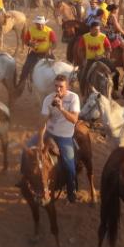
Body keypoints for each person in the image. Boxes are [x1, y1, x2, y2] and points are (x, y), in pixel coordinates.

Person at [34, 74, 81, 202]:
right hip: (49, 133)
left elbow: (74, 120)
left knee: (70, 167)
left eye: (61, 87)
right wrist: (40, 140)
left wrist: (61, 108)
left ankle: (72, 192)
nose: (58, 89)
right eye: (56, 86)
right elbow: (43, 121)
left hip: (64, 137)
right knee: (27, 149)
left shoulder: (73, 98)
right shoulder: (48, 99)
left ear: (67, 87)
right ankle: (24, 178)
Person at [19, 16, 56, 86]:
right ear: (35, 24)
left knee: (55, 69)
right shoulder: (30, 30)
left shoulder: (50, 31)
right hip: (35, 53)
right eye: (38, 24)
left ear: (44, 23)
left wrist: (50, 49)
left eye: (42, 24)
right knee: (25, 68)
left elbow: (54, 43)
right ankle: (21, 84)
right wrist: (29, 44)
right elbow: (26, 41)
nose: (40, 25)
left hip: (46, 53)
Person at [105, 4, 124, 71]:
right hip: (113, 35)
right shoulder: (113, 16)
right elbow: (117, 27)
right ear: (114, 10)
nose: (118, 10)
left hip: (109, 33)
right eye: (117, 9)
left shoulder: (110, 15)